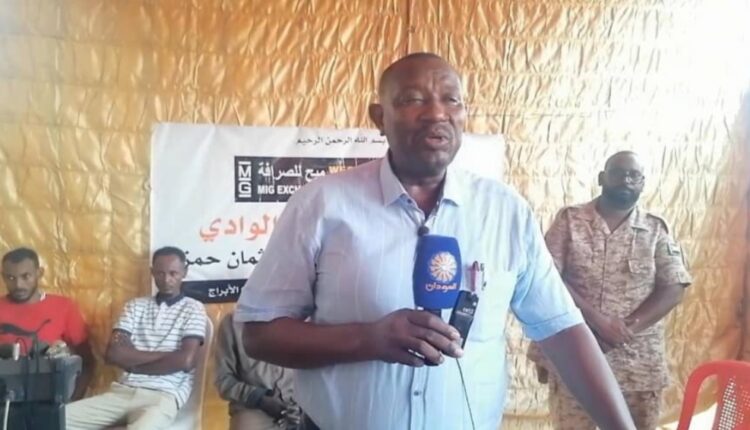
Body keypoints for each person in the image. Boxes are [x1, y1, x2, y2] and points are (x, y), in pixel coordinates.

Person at [235, 52, 637, 430]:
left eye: (451, 100)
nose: (436, 114)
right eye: (413, 99)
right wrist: (367, 339)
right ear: (379, 117)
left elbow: (562, 330)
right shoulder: (321, 204)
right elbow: (258, 334)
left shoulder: (505, 211)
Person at [528, 151, 692, 430]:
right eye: (618, 173)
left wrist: (624, 330)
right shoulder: (570, 221)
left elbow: (674, 286)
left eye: (634, 175)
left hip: (638, 368)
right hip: (577, 359)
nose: (626, 180)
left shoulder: (655, 229)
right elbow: (547, 276)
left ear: (642, 183)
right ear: (602, 178)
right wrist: (600, 322)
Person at [66, 246, 208, 430]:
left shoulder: (193, 308)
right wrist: (167, 355)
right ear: (152, 272)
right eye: (160, 273)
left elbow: (185, 361)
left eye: (173, 273)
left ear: (184, 272)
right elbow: (114, 354)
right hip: (122, 392)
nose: (166, 279)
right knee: (56, 420)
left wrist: (133, 363)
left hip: (163, 396)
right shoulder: (135, 306)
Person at [0, 247, 94, 400]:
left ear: (40, 273)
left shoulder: (64, 307)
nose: (18, 285)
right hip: (5, 398)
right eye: (11, 278)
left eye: (26, 276)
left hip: (50, 397)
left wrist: (71, 402)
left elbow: (86, 361)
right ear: (3, 276)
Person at [214, 311, 301, 430]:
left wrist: (301, 407)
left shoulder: (301, 318)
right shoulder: (232, 323)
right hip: (252, 407)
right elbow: (223, 380)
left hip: (300, 407)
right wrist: (259, 399)